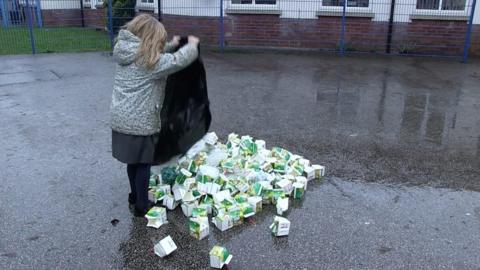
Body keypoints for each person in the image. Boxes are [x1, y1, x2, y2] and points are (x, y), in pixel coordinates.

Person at [110, 14, 200, 216]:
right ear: (151, 40)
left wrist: (171, 44)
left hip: (121, 120)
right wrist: (191, 46)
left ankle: (134, 195)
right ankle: (143, 206)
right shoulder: (150, 63)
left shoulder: (126, 53)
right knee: (143, 164)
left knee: (132, 161)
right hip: (140, 122)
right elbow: (176, 61)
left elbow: (154, 56)